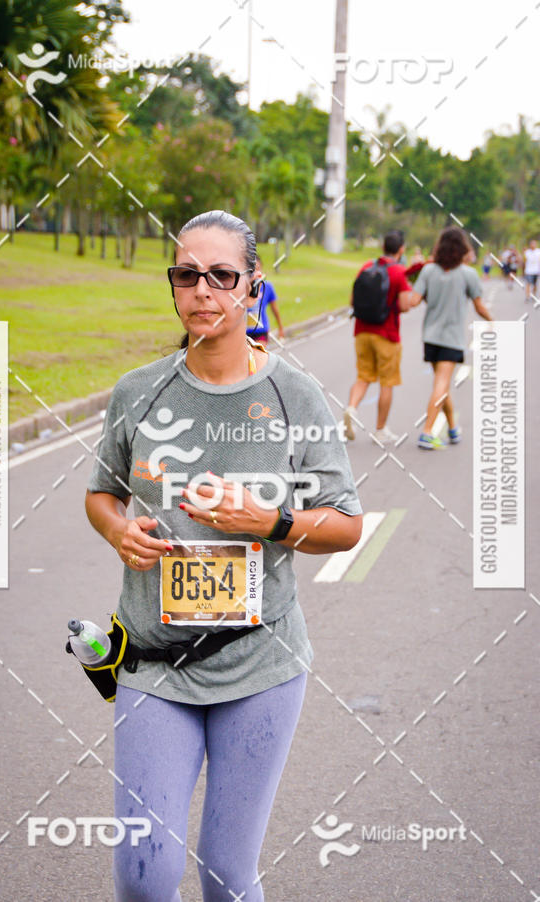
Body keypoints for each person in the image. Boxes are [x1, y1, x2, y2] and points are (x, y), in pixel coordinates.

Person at [85, 209, 363, 902]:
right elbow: (101, 496)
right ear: (172, 285)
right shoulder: (136, 392)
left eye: (221, 275)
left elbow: (347, 525)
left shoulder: (293, 395)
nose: (203, 289)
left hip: (261, 663)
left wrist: (270, 520)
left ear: (252, 286)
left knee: (225, 874)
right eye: (187, 275)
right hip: (152, 663)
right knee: (142, 878)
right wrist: (118, 531)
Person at [410, 226, 493, 450]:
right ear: (463, 249)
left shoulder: (428, 271)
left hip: (430, 337)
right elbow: (479, 306)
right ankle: (427, 432)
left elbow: (413, 301)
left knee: (441, 384)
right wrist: (491, 321)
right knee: (441, 385)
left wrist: (431, 295)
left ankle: (453, 428)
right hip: (452, 338)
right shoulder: (469, 274)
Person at [344, 229, 413, 446]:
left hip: (362, 331)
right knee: (387, 383)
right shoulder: (399, 273)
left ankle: (351, 409)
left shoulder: (366, 266)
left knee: (363, 377)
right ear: (401, 250)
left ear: (383, 247)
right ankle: (380, 430)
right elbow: (404, 305)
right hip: (387, 334)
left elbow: (352, 301)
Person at [245, 253, 284, 345]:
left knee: (257, 357)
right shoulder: (241, 287)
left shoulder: (268, 287)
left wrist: (280, 327)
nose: (255, 273)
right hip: (244, 332)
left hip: (260, 331)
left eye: (258, 269)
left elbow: (275, 309)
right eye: (252, 271)